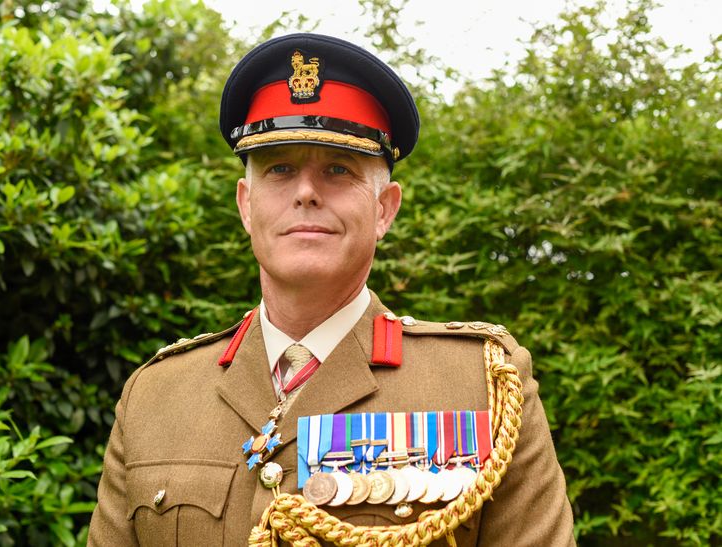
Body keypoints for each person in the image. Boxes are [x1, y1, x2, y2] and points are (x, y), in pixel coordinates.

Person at [88, 33, 575, 546]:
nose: (305, 193)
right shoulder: (156, 396)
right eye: (280, 168)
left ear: (384, 208)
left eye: (337, 170)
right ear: (245, 205)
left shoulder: (481, 387)